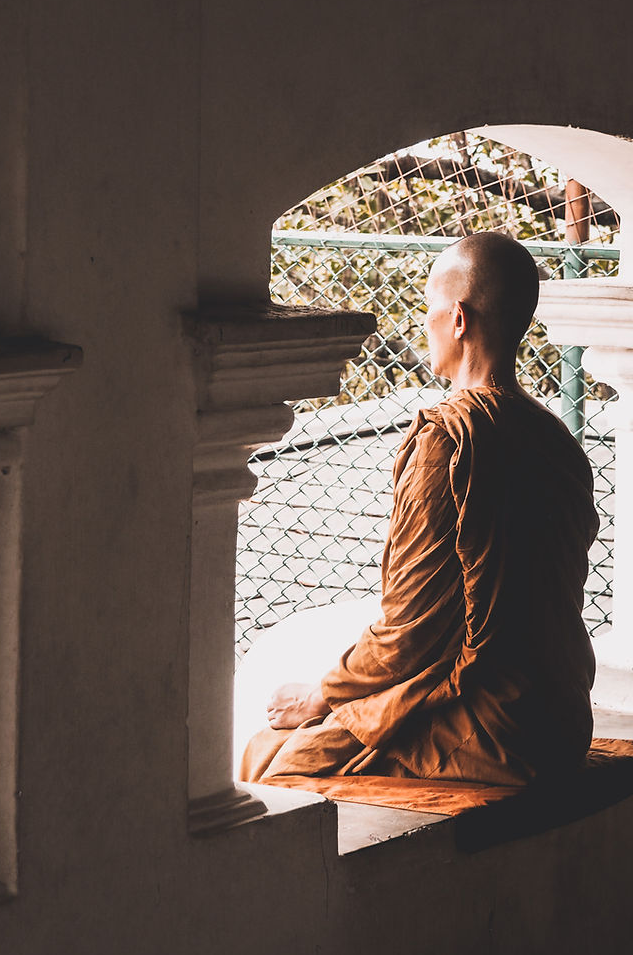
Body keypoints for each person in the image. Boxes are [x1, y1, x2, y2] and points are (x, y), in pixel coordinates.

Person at [241, 231, 599, 787]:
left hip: (494, 729)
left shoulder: (449, 441)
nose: (423, 322)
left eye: (428, 307)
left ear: (458, 319)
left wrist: (319, 696)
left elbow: (407, 632)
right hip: (562, 718)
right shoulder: (557, 440)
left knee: (271, 757)